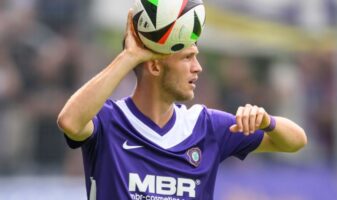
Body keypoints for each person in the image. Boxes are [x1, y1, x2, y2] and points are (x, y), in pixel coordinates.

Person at [57, 10, 307, 200]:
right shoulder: (109, 121)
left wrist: (268, 122)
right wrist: (129, 56)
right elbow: (69, 121)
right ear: (155, 66)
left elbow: (296, 141)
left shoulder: (208, 126)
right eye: (187, 57)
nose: (198, 67)